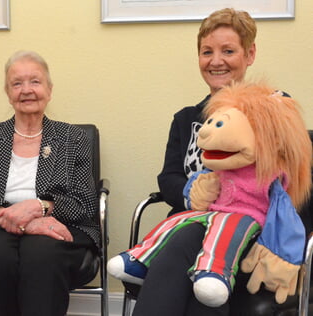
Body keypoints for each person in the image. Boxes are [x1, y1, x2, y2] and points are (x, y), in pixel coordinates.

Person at [109, 8, 260, 316]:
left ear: (250, 54)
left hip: (246, 232)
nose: (215, 61)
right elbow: (169, 179)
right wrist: (195, 195)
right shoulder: (186, 119)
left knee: (185, 241)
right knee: (195, 275)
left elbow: (292, 181)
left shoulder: (270, 112)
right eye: (207, 52)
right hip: (189, 222)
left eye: (228, 51)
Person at [0, 50, 99, 316]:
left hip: (56, 224)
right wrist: (27, 220)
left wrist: (40, 207)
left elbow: (84, 204)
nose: (26, 90)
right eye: (17, 83)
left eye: (35, 82)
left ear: (49, 89)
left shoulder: (73, 138)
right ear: (7, 91)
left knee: (43, 255)